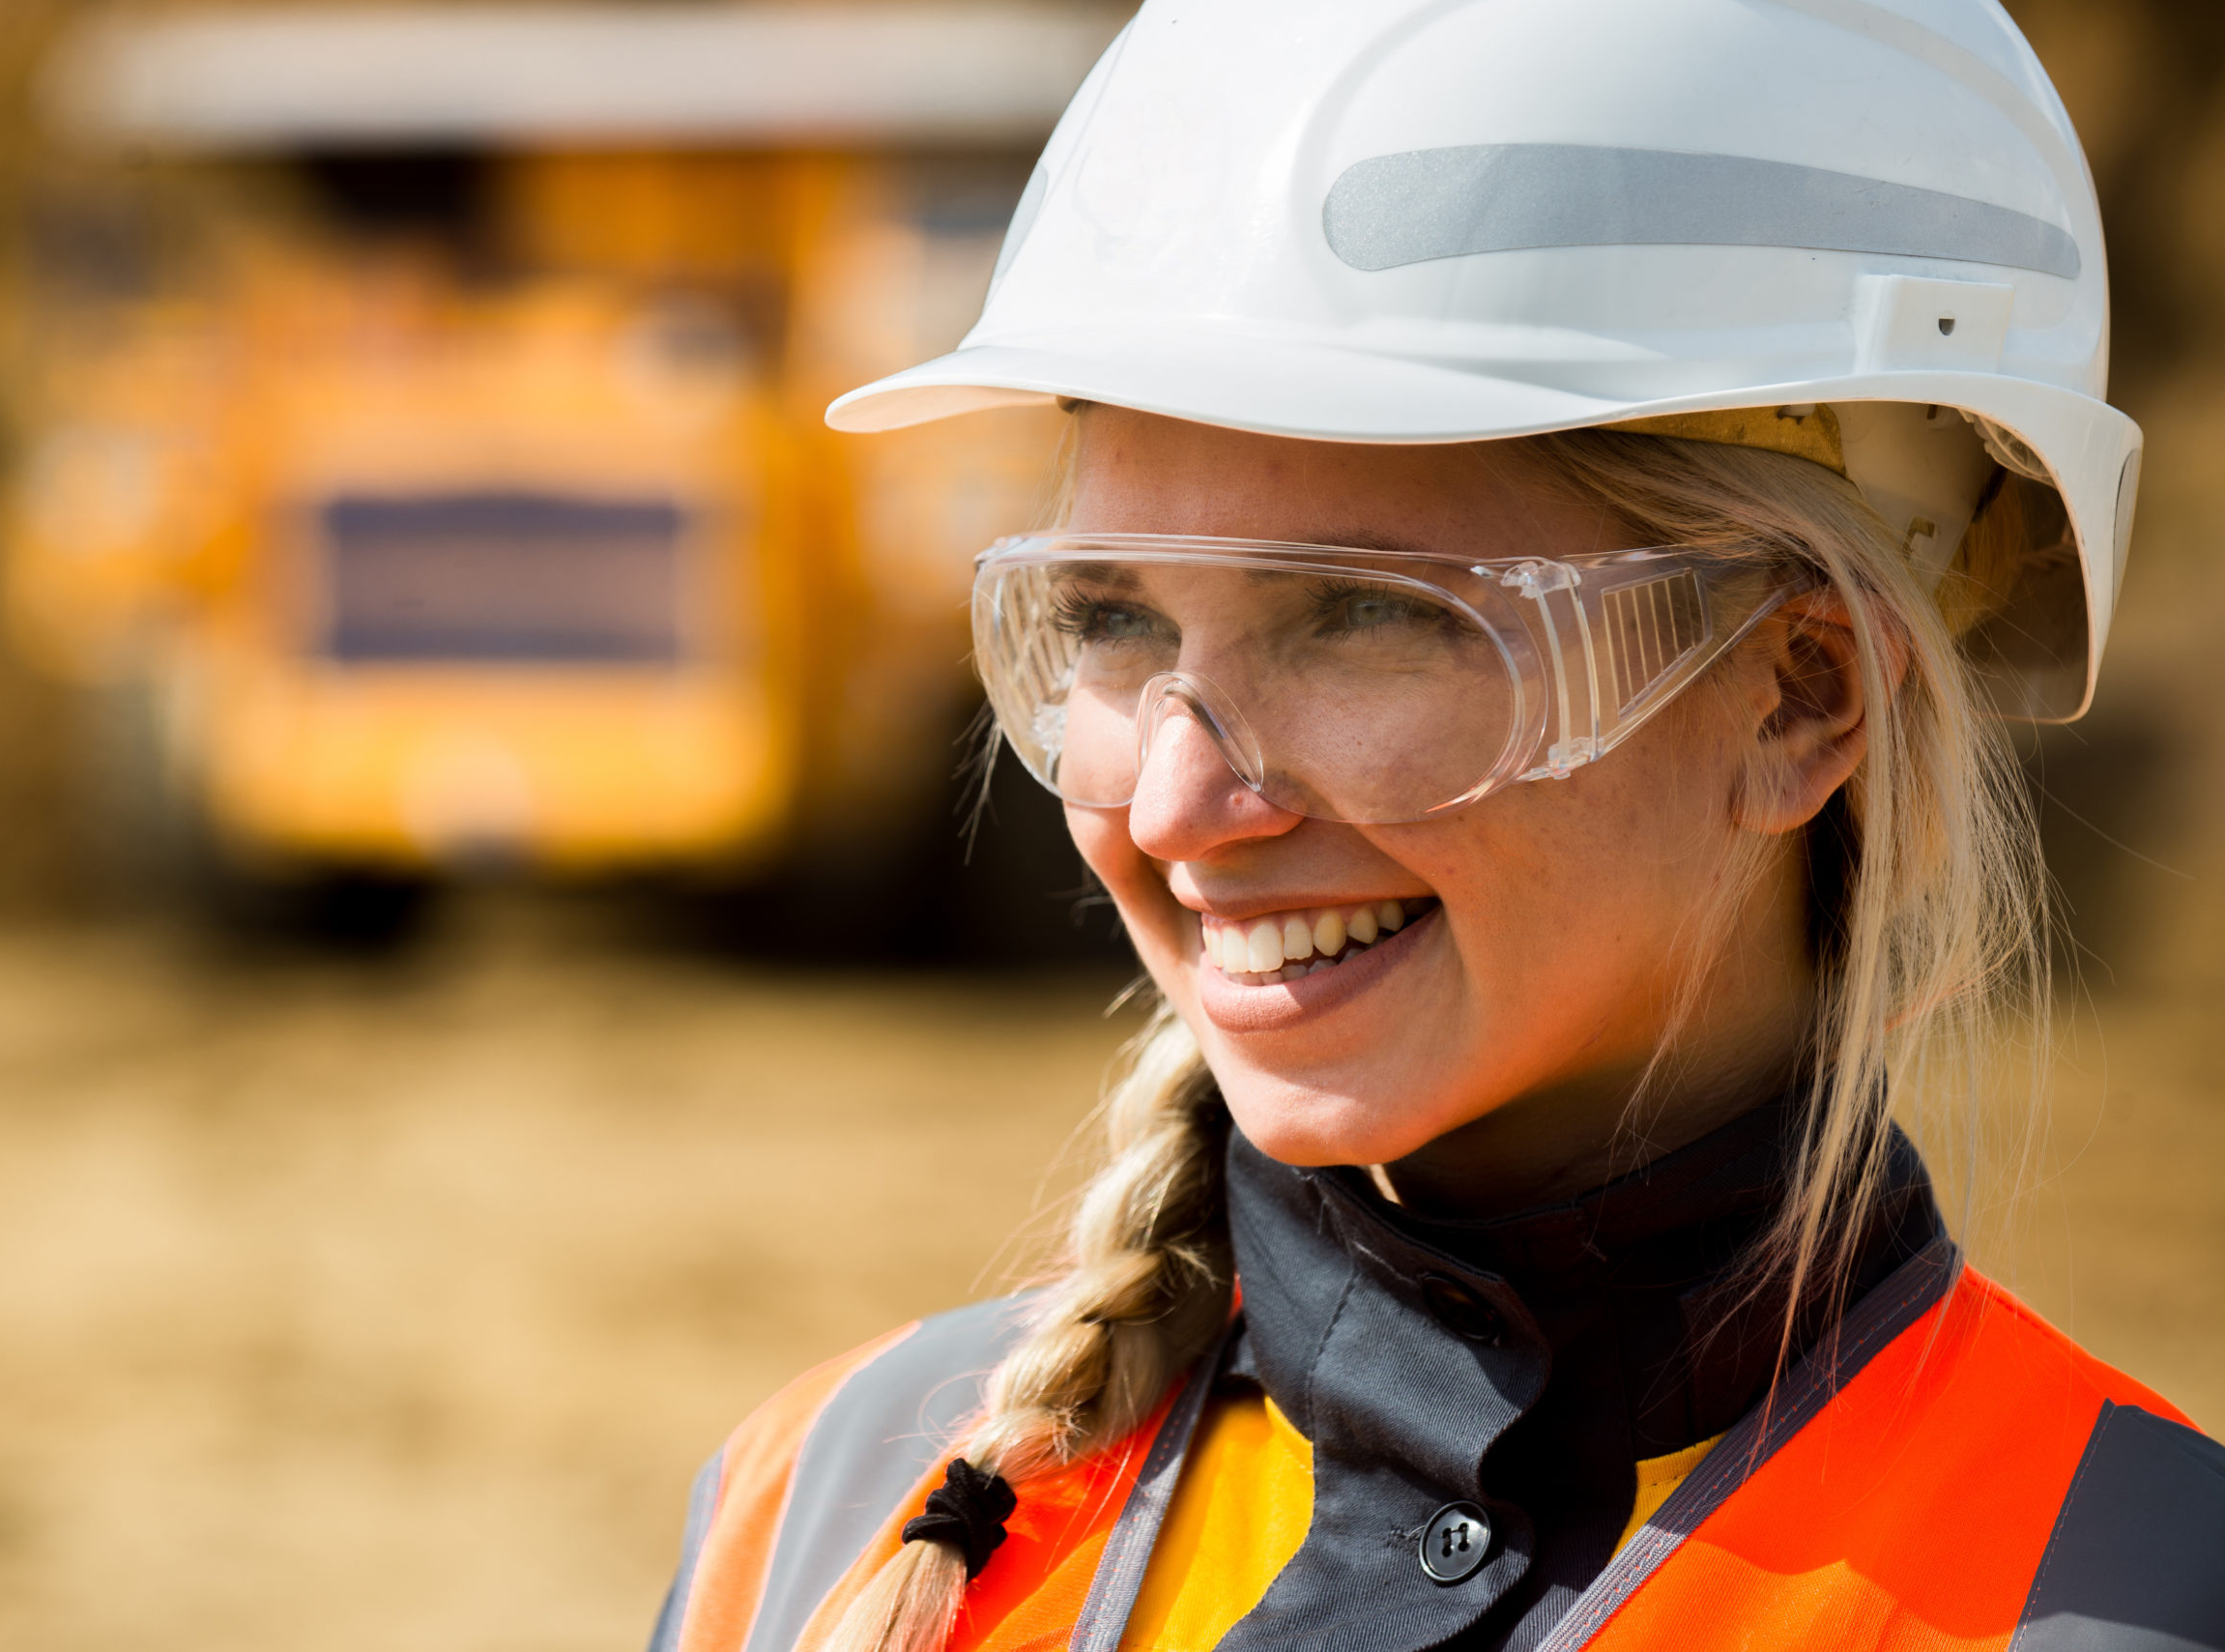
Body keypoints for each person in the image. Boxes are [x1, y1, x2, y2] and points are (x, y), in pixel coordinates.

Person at [650, 2, 2224, 1649]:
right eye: (1111, 619)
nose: (1177, 806)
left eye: (1365, 619)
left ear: (1800, 695)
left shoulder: (2129, 1591)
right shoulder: (824, 1500)